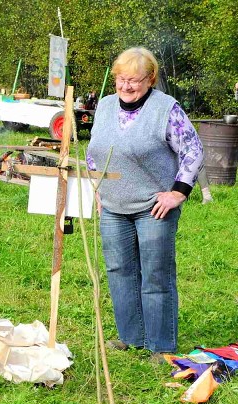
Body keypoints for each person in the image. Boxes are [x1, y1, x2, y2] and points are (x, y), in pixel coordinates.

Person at [86, 47, 204, 360]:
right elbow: (93, 148)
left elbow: (192, 150)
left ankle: (160, 345)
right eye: (121, 79)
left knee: (155, 275)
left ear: (150, 80)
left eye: (134, 81)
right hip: (113, 205)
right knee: (119, 270)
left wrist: (178, 192)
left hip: (154, 207)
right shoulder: (106, 105)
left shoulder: (166, 109)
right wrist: (95, 185)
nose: (126, 86)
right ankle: (131, 336)